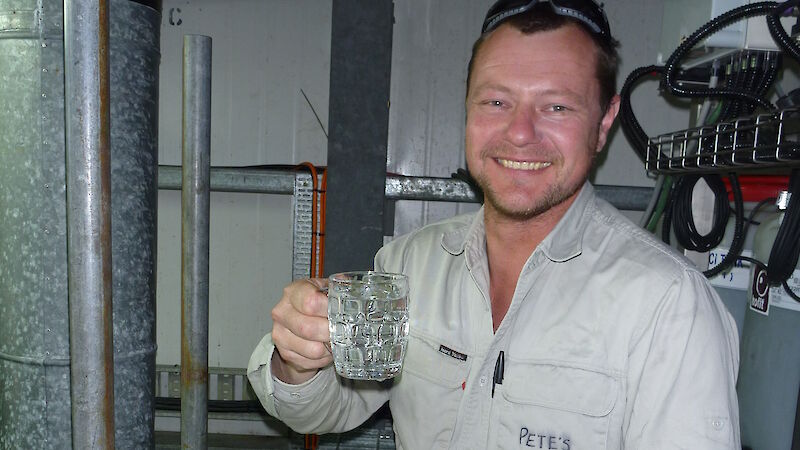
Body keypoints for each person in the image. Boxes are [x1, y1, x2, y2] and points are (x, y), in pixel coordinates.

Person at [248, 0, 741, 448]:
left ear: (605, 121)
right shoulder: (408, 267)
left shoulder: (669, 306)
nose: (520, 133)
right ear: (467, 107)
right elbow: (328, 408)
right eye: (497, 102)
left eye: (557, 106)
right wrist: (297, 361)